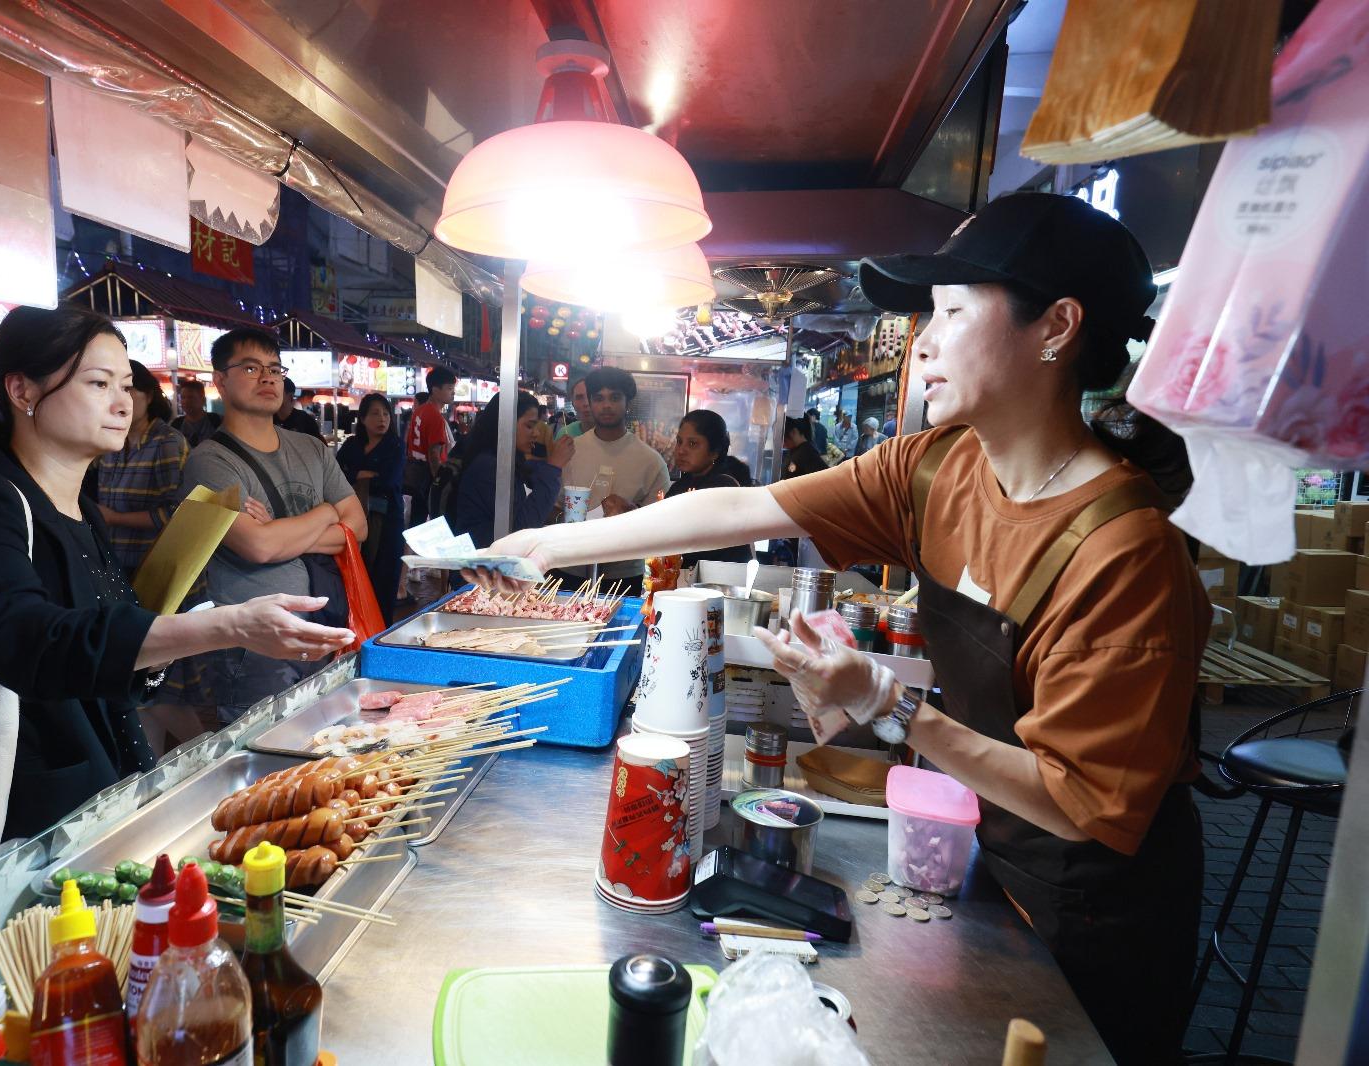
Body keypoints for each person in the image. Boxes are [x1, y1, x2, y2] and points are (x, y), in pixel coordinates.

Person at [478, 193, 1204, 1064]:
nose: (924, 344)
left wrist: (892, 708)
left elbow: (1081, 801)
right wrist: (550, 543)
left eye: (953, 312)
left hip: (1094, 909)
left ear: (1056, 328)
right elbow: (743, 504)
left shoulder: (1126, 555)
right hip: (982, 848)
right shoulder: (940, 467)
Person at [0, 307, 355, 837]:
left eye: (126, 385)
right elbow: (27, 640)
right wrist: (229, 626)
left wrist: (190, 633)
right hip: (36, 801)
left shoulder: (84, 507)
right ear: (22, 391)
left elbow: (116, 647)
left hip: (107, 783)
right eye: (99, 384)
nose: (122, 403)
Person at [176, 327, 368, 723]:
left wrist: (281, 530)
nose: (267, 377)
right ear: (220, 382)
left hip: (325, 622)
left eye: (274, 369)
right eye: (250, 368)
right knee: (262, 753)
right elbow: (258, 547)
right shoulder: (209, 461)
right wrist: (326, 513)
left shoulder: (312, 448)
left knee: (325, 738)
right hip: (256, 640)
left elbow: (359, 526)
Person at [96, 361, 187, 578]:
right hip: (115, 564)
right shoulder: (112, 441)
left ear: (148, 395)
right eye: (109, 390)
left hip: (155, 568)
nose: (118, 400)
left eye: (128, 390)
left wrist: (114, 518)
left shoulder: (167, 442)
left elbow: (179, 513)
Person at [450, 392, 573, 549]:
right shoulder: (490, 466)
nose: (536, 433)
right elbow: (519, 530)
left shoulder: (501, 459)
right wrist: (554, 467)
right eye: (530, 426)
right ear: (505, 423)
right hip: (484, 565)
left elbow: (531, 473)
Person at [558, 366, 669, 517]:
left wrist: (631, 513)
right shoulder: (570, 452)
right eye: (598, 398)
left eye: (615, 398)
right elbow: (554, 506)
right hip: (576, 540)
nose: (606, 405)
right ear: (590, 403)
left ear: (628, 404)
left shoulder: (652, 463)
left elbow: (660, 521)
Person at [335, 392, 405, 622]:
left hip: (387, 523)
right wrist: (362, 474)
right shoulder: (352, 445)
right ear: (362, 418)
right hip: (354, 519)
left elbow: (388, 480)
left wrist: (356, 476)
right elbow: (336, 475)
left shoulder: (394, 446)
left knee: (383, 577)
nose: (382, 419)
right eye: (375, 413)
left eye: (385, 414)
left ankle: (380, 628)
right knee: (357, 572)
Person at [670, 409, 752, 565]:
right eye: (679, 441)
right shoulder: (682, 485)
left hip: (721, 581)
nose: (681, 450)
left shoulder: (724, 488)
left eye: (692, 444)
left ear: (714, 452)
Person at [405, 368, 457, 526]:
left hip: (415, 474)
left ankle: (409, 550)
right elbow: (434, 453)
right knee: (433, 523)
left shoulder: (419, 411)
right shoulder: (435, 416)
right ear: (435, 389)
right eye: (449, 388)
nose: (452, 393)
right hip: (428, 477)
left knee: (416, 522)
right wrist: (439, 483)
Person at [172, 378, 221, 447]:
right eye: (183, 397)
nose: (186, 401)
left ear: (203, 400)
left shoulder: (216, 421)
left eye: (190, 397)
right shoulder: (176, 425)